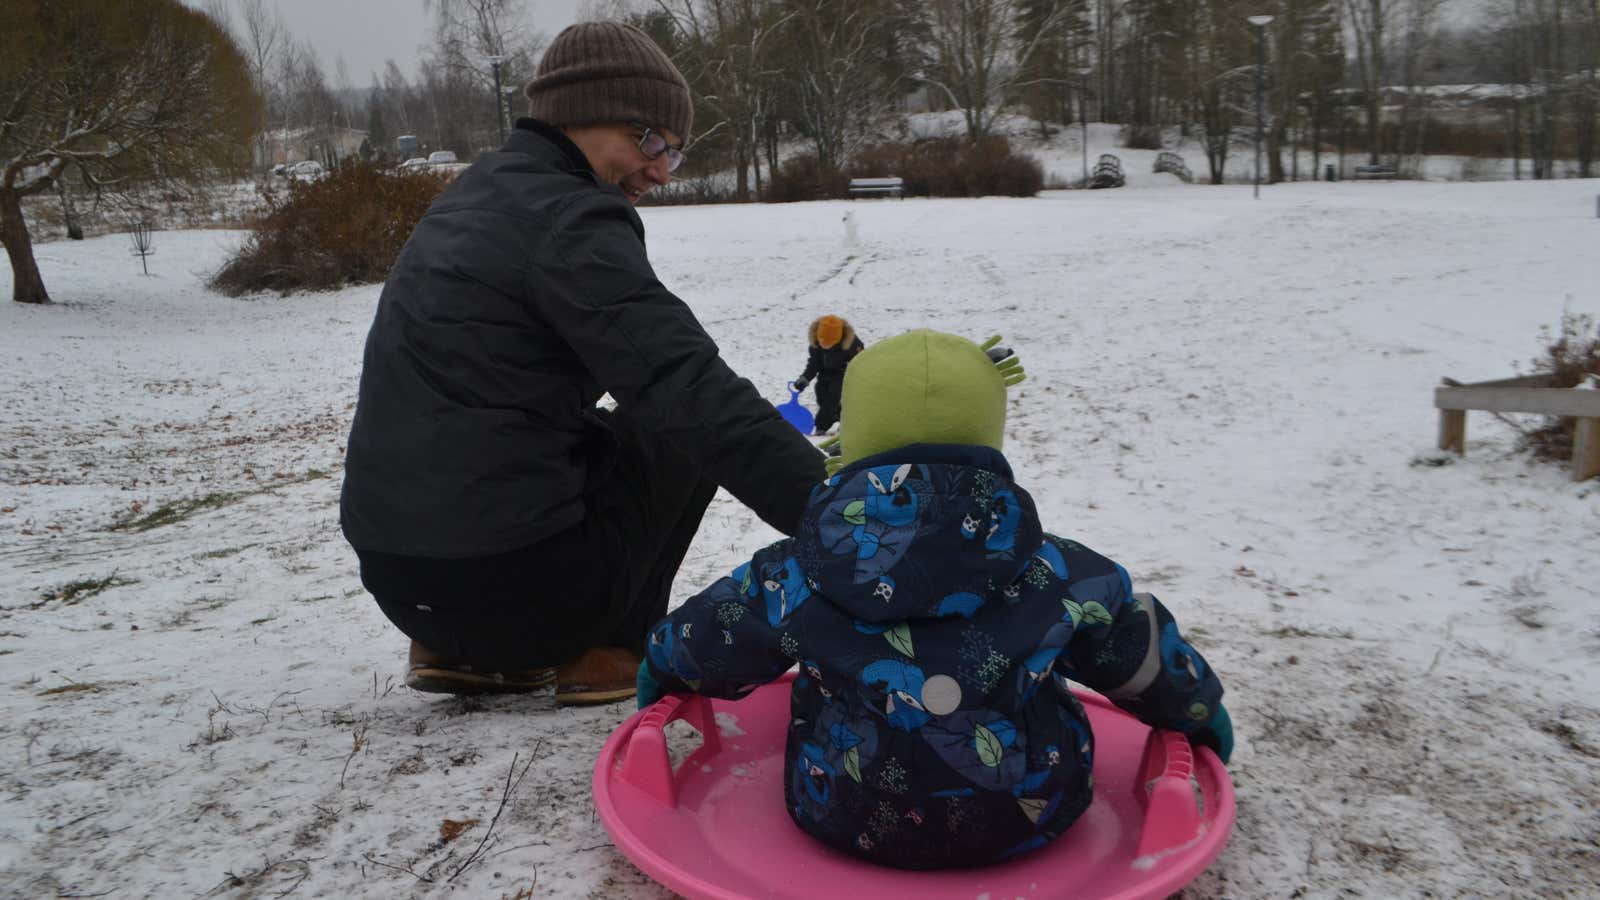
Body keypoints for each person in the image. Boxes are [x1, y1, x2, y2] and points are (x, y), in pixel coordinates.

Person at [339, 22, 824, 705]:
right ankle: (611, 648)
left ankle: (469, 655)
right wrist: (845, 519)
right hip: (520, 591)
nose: (659, 170)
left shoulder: (473, 196)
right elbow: (688, 389)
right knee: (672, 426)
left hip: (399, 582)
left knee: (583, 432)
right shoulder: (568, 217)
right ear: (581, 116)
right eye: (649, 140)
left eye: (674, 153)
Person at [636, 330, 1231, 868]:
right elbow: (1139, 652)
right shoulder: (1061, 571)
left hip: (842, 811)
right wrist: (1198, 715)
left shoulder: (798, 569)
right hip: (1031, 811)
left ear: (858, 435)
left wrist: (663, 666)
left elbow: (718, 632)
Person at [792, 315, 865, 435]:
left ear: (838, 340)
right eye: (822, 341)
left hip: (843, 374)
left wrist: (859, 376)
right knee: (820, 394)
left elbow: (860, 360)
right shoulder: (816, 345)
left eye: (829, 343)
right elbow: (814, 364)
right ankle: (840, 417)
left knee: (831, 400)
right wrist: (805, 378)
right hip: (824, 374)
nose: (824, 345)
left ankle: (821, 426)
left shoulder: (851, 344)